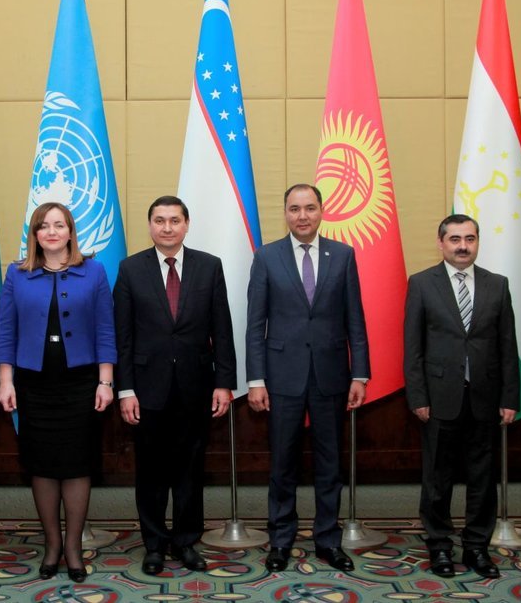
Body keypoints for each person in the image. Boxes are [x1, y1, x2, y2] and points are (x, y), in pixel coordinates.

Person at [245, 183, 369, 573]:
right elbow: (255, 324)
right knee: (283, 463)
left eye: (310, 208)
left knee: (330, 464)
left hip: (331, 376)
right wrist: (255, 379)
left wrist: (360, 373)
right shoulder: (266, 257)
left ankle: (328, 540)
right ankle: (281, 540)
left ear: (321, 211)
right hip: (282, 376)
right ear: (285, 213)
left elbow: (355, 320)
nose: (303, 216)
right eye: (295, 209)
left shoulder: (343, 255)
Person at [113, 196, 235, 575]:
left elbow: (222, 329)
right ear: (150, 225)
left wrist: (224, 383)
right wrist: (125, 389)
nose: (167, 227)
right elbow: (122, 337)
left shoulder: (209, 266)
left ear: (186, 224)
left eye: (174, 220)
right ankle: (154, 544)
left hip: (195, 388)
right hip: (146, 389)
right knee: (150, 472)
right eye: (160, 220)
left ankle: (185, 542)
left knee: (190, 471)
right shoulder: (130, 269)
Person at [0, 202, 116, 584]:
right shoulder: (17, 274)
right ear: (34, 234)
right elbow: (5, 331)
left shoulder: (94, 271)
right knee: (42, 465)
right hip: (34, 385)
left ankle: (74, 548)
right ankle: (52, 545)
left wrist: (106, 381)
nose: (51, 232)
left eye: (59, 225)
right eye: (43, 226)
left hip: (81, 383)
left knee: (77, 464)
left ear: (70, 232)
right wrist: (6, 381)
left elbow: (106, 329)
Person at [403, 214, 519, 579]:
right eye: (455, 239)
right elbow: (413, 347)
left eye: (469, 238)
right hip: (439, 397)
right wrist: (418, 396)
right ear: (441, 243)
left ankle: (476, 548)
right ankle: (439, 545)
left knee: (483, 478)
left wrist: (510, 397)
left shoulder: (497, 284)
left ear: (478, 242)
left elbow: (507, 346)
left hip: (485, 397)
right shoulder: (422, 283)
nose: (463, 246)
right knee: (437, 479)